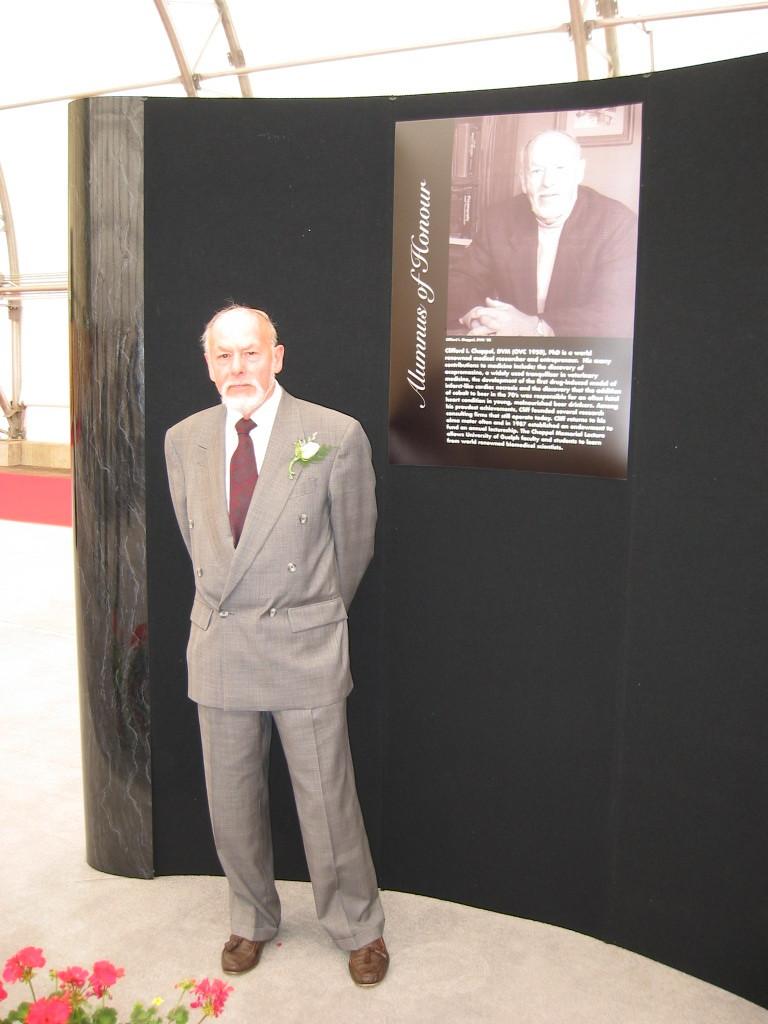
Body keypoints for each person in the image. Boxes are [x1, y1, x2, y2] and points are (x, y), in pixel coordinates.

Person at [164, 304, 388, 986]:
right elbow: (199, 543)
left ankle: (357, 926)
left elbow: (353, 547)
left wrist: (308, 614)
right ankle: (251, 917)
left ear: (277, 356)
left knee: (326, 801)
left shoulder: (333, 434)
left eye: (251, 352)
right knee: (231, 800)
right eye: (223, 355)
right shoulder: (184, 439)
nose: (238, 367)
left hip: (301, 643)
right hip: (221, 644)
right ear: (209, 364)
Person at [448, 129, 638, 339]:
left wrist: (536, 327)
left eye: (560, 168)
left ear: (579, 172)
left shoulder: (617, 223)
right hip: (509, 344)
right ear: (523, 180)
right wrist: (476, 316)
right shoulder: (498, 219)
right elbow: (461, 280)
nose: (548, 181)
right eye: (537, 171)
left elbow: (618, 312)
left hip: (579, 351)